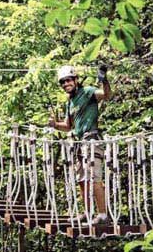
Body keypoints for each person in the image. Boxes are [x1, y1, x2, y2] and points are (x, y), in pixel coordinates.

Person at [48, 64, 112, 225]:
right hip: (78, 143)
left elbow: (106, 95)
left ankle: (103, 215)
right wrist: (55, 125)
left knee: (93, 177)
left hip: (91, 140)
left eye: (68, 80)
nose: (65, 84)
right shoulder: (70, 102)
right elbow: (68, 126)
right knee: (82, 180)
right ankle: (88, 213)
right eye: (62, 82)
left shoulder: (88, 92)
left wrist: (104, 80)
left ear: (75, 80)